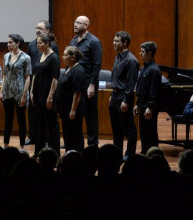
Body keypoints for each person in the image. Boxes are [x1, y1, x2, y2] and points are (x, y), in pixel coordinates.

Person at [69, 15, 103, 146]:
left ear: (86, 25)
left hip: (88, 81)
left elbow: (97, 65)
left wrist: (92, 84)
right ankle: (76, 142)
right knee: (76, 112)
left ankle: (92, 144)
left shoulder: (94, 42)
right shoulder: (73, 41)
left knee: (90, 115)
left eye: (79, 22)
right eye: (75, 22)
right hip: (76, 82)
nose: (75, 24)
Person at [26, 20, 59, 147]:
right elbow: (32, 68)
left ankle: (48, 141)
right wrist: (32, 90)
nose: (37, 30)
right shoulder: (35, 48)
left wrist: (51, 95)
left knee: (49, 118)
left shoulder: (53, 50)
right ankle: (34, 139)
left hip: (47, 86)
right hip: (37, 86)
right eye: (37, 28)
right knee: (35, 116)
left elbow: (55, 75)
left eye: (40, 28)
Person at [109, 31, 139, 160]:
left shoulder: (131, 60)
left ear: (125, 43)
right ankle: (117, 153)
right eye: (114, 41)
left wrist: (126, 100)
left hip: (124, 97)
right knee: (116, 129)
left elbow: (130, 83)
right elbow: (117, 78)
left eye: (117, 41)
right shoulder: (118, 57)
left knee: (129, 129)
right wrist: (112, 94)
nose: (114, 43)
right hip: (115, 96)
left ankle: (130, 154)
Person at [0, 33, 32, 147]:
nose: (8, 44)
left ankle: (22, 145)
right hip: (7, 91)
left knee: (21, 120)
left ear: (18, 44)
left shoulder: (26, 57)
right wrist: (1, 90)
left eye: (11, 42)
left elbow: (28, 77)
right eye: (8, 42)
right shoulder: (6, 56)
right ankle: (5, 144)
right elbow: (4, 74)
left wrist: (24, 95)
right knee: (8, 119)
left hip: (20, 91)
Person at [54, 46, 86, 153]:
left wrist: (73, 110)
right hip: (65, 108)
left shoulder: (78, 71)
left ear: (72, 57)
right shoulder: (69, 68)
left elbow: (77, 93)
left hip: (72, 109)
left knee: (75, 135)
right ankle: (69, 155)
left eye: (65, 55)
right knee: (68, 135)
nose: (62, 57)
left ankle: (78, 156)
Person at [134, 41, 162, 153]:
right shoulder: (144, 68)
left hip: (148, 106)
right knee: (144, 132)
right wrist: (137, 104)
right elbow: (141, 88)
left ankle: (152, 153)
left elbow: (153, 91)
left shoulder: (154, 70)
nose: (140, 54)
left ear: (150, 53)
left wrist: (150, 107)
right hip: (142, 104)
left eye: (143, 52)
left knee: (150, 132)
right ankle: (145, 151)